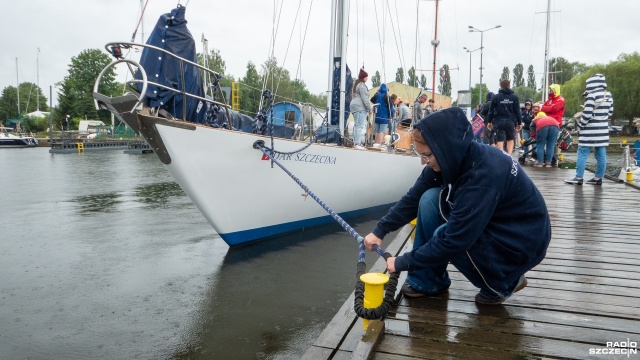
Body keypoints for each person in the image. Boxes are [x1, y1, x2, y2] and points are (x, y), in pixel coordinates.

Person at [363, 108, 551, 305]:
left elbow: (455, 239)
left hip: (521, 242)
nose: (422, 162)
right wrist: (380, 230)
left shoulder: (482, 176)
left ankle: (505, 283)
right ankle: (428, 281)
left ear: (446, 149)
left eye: (426, 156)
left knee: (444, 235)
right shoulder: (451, 158)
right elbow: (413, 197)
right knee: (428, 199)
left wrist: (403, 262)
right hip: (498, 222)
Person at [564, 74, 614, 186]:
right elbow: (610, 112)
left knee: (582, 153)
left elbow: (587, 114)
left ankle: (578, 177)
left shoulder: (592, 95)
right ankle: (598, 178)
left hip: (589, 132)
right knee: (601, 155)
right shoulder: (608, 95)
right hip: (603, 132)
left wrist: (580, 125)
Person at [486, 79, 522, 155]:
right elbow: (518, 111)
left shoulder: (496, 97)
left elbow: (491, 111)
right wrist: (519, 122)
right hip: (510, 121)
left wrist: (489, 121)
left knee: (500, 139)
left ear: (500, 86)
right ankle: (509, 156)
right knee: (510, 139)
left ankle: (501, 156)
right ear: (509, 85)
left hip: (499, 121)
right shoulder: (514, 97)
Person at [349, 68, 372, 149]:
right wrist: (369, 108)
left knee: (356, 125)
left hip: (355, 107)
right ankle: (358, 143)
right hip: (360, 108)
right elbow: (364, 98)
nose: (367, 78)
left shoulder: (356, 85)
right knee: (359, 126)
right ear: (364, 77)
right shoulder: (362, 86)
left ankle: (355, 142)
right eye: (366, 77)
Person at [370, 83, 393, 148]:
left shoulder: (377, 96)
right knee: (382, 131)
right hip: (384, 117)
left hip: (376, 116)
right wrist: (391, 116)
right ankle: (379, 144)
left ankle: (376, 144)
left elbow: (371, 100)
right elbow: (390, 108)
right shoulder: (387, 97)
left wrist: (376, 92)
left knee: (377, 130)